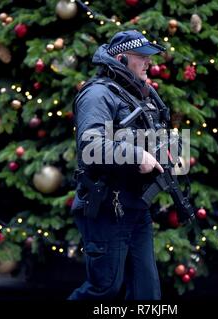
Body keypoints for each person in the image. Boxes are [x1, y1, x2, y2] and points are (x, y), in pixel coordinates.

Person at [68, 30, 170, 300]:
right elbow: (91, 145)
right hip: (106, 207)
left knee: (145, 292)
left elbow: (146, 137)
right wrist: (137, 156)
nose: (149, 62)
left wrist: (170, 154)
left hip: (136, 206)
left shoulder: (136, 94)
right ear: (122, 59)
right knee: (103, 289)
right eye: (142, 57)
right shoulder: (98, 94)